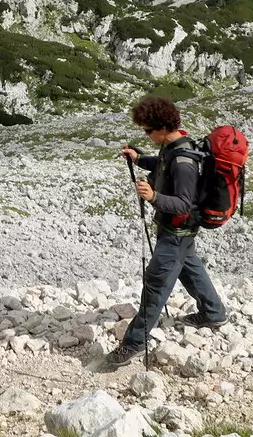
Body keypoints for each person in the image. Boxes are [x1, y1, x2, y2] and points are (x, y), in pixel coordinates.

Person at [101, 93, 228, 369]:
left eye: (148, 131)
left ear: (161, 128)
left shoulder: (184, 162)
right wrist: (139, 159)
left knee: (155, 285)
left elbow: (184, 202)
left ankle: (132, 344)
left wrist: (153, 197)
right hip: (179, 232)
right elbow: (162, 166)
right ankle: (214, 312)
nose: (146, 135)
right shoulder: (175, 145)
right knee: (190, 266)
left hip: (176, 231)